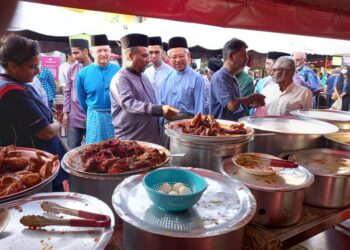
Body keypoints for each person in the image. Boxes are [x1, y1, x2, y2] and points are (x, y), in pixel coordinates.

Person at [0, 34, 67, 191]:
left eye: (39, 65)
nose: (38, 71)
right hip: (34, 169)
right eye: (32, 66)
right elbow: (46, 133)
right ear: (12, 66)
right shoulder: (12, 92)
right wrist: (58, 123)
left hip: (41, 161)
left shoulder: (19, 84)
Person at [110, 33, 179, 145]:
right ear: (131, 56)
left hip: (151, 138)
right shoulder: (120, 78)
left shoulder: (144, 75)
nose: (148, 60)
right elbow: (128, 103)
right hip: (131, 141)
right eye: (144, 56)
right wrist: (159, 110)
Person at [76, 34, 120, 144]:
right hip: (95, 117)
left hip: (115, 117)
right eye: (99, 50)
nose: (103, 54)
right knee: (95, 152)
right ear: (91, 52)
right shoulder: (83, 74)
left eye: (106, 50)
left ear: (110, 51)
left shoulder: (119, 71)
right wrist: (94, 112)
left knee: (118, 151)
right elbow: (82, 100)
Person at [209, 38, 265, 120]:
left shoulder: (231, 75)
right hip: (222, 129)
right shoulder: (220, 77)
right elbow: (231, 106)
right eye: (243, 55)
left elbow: (237, 104)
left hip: (233, 127)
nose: (247, 59)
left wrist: (249, 103)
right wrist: (249, 98)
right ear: (231, 56)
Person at [160, 36, 205, 118]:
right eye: (174, 57)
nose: (178, 60)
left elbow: (200, 110)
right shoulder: (166, 79)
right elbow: (161, 106)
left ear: (188, 56)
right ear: (169, 58)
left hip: (187, 126)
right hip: (167, 127)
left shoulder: (197, 79)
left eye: (181, 56)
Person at [62, 38, 92, 149]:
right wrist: (66, 112)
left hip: (91, 116)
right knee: (72, 148)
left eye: (76, 53)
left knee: (91, 148)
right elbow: (67, 91)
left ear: (85, 51)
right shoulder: (71, 69)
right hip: (74, 117)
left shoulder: (95, 69)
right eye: (72, 53)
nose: (74, 56)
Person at [144, 36, 173, 102]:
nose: (154, 55)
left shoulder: (171, 72)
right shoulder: (146, 72)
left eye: (156, 52)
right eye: (151, 52)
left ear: (162, 52)